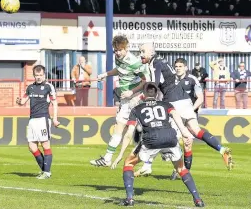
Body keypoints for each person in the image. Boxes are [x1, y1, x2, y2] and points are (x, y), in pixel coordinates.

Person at [130, 45, 233, 177]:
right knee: (196, 131)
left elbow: (154, 85)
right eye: (140, 52)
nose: (141, 54)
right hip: (185, 100)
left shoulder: (155, 63)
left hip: (173, 101)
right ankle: (222, 149)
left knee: (161, 131)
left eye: (143, 52)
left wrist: (141, 98)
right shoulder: (161, 61)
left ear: (151, 52)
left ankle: (148, 165)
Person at [112, 82, 205, 207]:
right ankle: (198, 200)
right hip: (170, 138)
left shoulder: (136, 109)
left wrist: (120, 154)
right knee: (181, 168)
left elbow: (129, 133)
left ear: (143, 95)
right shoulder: (167, 104)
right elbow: (178, 121)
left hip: (151, 139)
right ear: (156, 94)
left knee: (128, 163)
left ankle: (130, 199)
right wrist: (185, 134)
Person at [90, 35, 150, 167]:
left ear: (126, 48)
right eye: (115, 50)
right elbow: (120, 70)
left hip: (135, 99)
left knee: (137, 129)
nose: (117, 53)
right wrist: (105, 74)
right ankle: (107, 158)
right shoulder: (118, 58)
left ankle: (152, 160)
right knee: (120, 128)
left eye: (120, 50)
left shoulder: (135, 62)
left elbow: (146, 81)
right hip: (125, 100)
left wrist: (132, 92)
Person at [16, 65, 60, 179]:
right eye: (37, 75)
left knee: (45, 144)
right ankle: (44, 170)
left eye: (41, 75)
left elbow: (54, 103)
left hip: (43, 118)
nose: (39, 77)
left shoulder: (48, 87)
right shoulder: (30, 87)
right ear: (34, 76)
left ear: (44, 75)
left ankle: (47, 172)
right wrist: (19, 101)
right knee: (32, 147)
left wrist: (55, 119)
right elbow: (23, 101)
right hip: (32, 120)